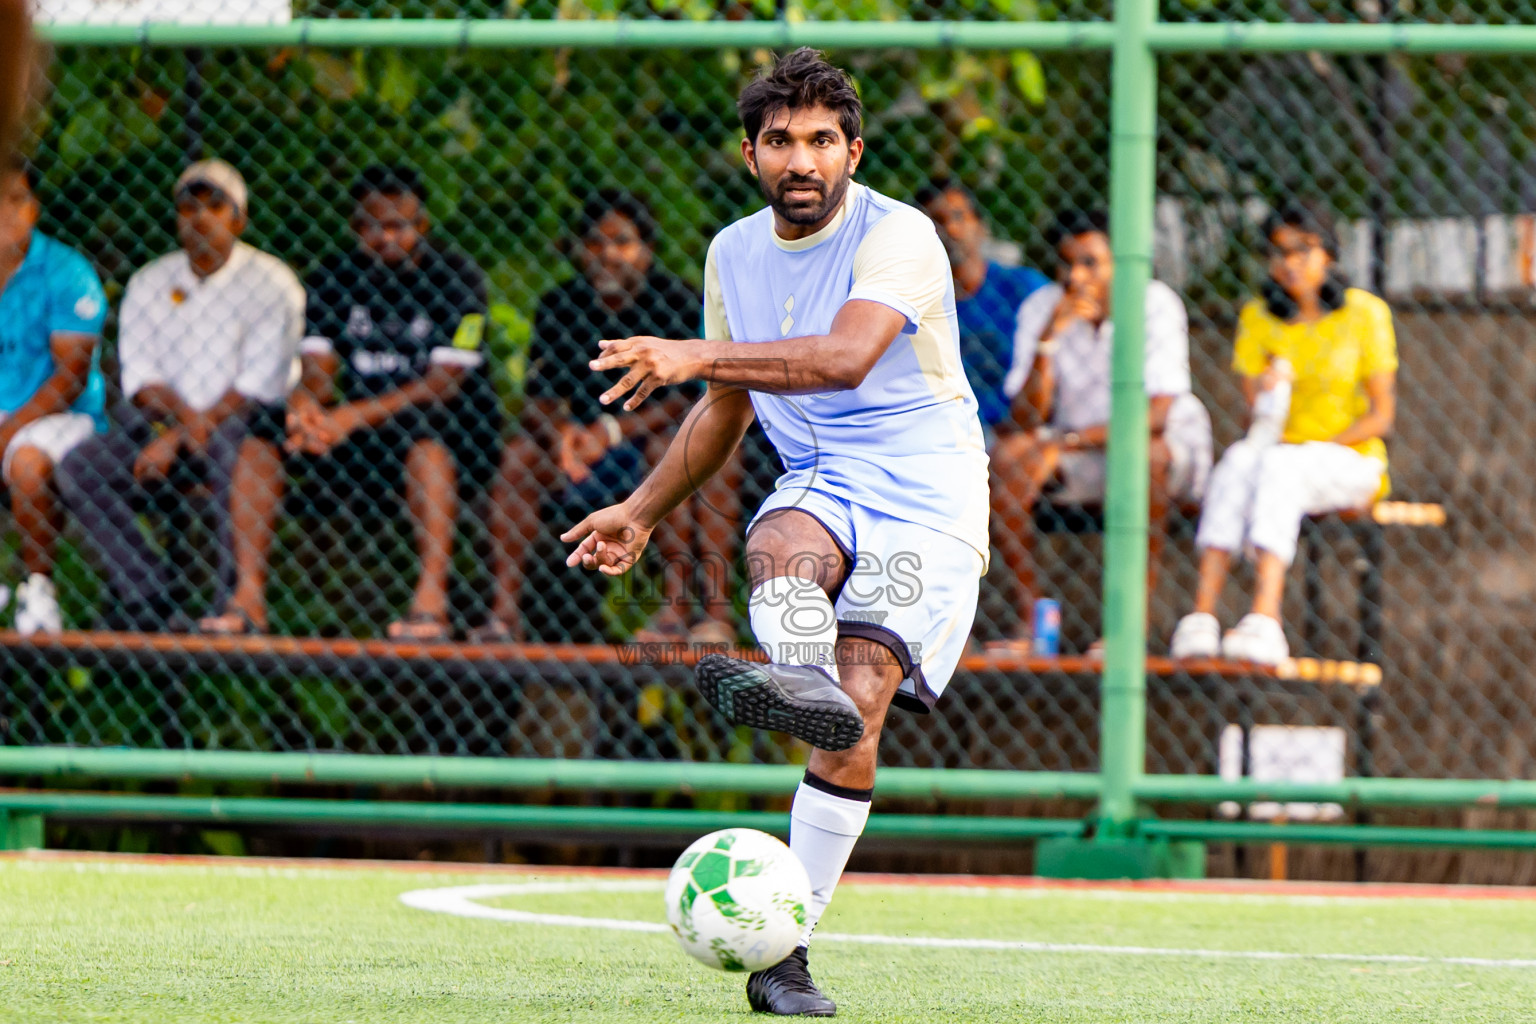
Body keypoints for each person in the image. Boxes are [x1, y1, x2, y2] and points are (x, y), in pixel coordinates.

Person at [560, 49, 987, 1015]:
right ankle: (799, 678)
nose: (803, 159)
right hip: (826, 478)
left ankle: (786, 953)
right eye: (782, 141)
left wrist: (694, 353)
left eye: (823, 141)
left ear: (853, 150)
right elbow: (725, 406)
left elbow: (841, 359)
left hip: (932, 493)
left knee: (864, 697)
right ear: (750, 153)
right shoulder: (732, 252)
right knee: (781, 541)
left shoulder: (902, 235)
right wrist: (637, 511)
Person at [200, 165, 502, 638]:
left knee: (426, 437)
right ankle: (248, 597)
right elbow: (320, 375)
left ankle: (430, 602)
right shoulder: (334, 277)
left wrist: (349, 415)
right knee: (263, 432)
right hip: (361, 431)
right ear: (355, 226)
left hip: (449, 428)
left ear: (421, 226)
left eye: (397, 226)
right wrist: (307, 408)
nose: (383, 237)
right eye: (370, 225)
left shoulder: (457, 278)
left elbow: (441, 385)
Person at [478, 190, 735, 644]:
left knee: (679, 451)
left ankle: (685, 613)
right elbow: (540, 394)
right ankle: (504, 615)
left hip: (651, 442)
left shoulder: (675, 299)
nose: (608, 254)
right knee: (518, 458)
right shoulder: (560, 304)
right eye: (595, 242)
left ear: (647, 248)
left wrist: (613, 430)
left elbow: (694, 399)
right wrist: (562, 436)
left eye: (622, 241)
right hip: (578, 451)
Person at [58, 159, 303, 631]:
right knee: (80, 468)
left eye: (215, 206)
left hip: (244, 429)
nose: (200, 217)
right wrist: (176, 427)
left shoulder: (273, 282)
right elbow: (141, 379)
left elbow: (260, 383)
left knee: (235, 448)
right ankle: (146, 596)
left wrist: (188, 431)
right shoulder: (151, 281)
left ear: (239, 218)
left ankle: (232, 603)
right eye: (189, 207)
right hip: (158, 427)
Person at [1170, 200, 1398, 666]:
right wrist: (1268, 390)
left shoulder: (1365, 314)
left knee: (1280, 465)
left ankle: (1265, 619)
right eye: (1278, 253)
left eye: (1302, 250)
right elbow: (1257, 413)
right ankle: (1202, 617)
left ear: (1329, 254)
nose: (1289, 263)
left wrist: (1315, 448)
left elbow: (1381, 416)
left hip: (1350, 458)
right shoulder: (1258, 317)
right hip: (1275, 450)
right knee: (1236, 461)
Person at [988, 208, 1213, 651]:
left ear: (1119, 263)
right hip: (1079, 452)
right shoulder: (1043, 306)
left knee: (1145, 459)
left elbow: (1159, 413)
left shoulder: (1155, 303)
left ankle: (1127, 629)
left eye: (1090, 262)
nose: (1076, 277)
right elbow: (1024, 419)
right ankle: (1035, 622)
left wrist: (1064, 442)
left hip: (1164, 450)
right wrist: (1049, 342)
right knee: (1006, 458)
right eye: (1066, 263)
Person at [0, 157, 107, 634]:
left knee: (25, 462)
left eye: (16, 199)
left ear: (35, 208)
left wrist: (6, 433)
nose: (5, 212)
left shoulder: (66, 272)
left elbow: (70, 379)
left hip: (63, 415)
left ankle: (38, 592)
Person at [917, 178, 1049, 435]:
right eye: (937, 222)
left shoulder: (1023, 288)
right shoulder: (912, 299)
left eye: (959, 216)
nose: (951, 230)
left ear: (981, 227)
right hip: (940, 429)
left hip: (1016, 427)